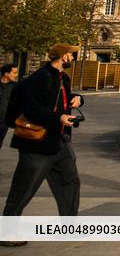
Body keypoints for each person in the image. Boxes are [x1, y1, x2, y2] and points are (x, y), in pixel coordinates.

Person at [1, 44, 83, 248]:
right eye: (72, 55)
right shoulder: (42, 77)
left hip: (60, 141)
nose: (74, 58)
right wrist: (58, 118)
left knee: (70, 182)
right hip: (37, 143)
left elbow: (61, 100)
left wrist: (77, 99)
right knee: (23, 188)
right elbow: (31, 108)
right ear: (63, 56)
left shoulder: (62, 77)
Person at [0, 64, 19, 149]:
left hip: (4, 122)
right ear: (6, 74)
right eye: (14, 73)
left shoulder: (15, 87)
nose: (16, 75)